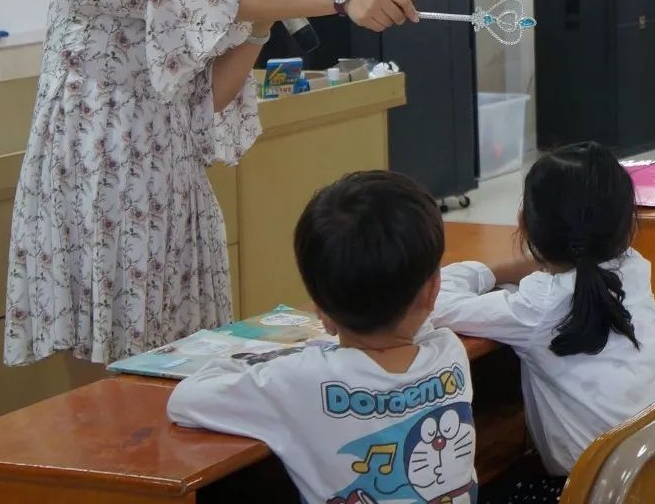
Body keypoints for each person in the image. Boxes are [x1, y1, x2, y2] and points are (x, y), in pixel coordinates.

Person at [4, 0, 418, 367]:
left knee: (186, 363)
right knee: (117, 377)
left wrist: (259, 25)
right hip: (104, 188)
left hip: (172, 185)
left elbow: (206, 103)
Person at [169, 171, 476, 503]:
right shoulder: (449, 352)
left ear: (321, 311)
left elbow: (185, 400)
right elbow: (418, 329)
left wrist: (271, 357)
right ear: (432, 290)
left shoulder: (297, 379)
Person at [432, 142, 655, 501]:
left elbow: (435, 299)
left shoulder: (539, 305)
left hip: (598, 492)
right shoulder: (634, 267)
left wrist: (490, 271)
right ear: (628, 226)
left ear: (525, 228)